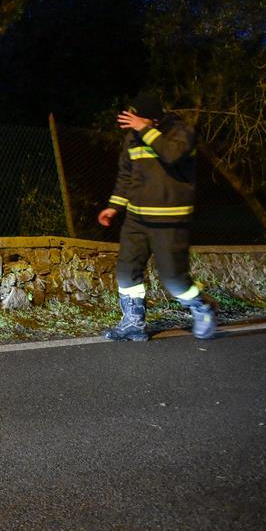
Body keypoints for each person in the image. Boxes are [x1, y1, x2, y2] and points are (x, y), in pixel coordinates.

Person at [98, 90, 217, 342]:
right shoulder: (132, 138)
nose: (131, 122)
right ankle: (133, 323)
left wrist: (144, 129)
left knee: (174, 279)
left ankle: (201, 306)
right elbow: (126, 177)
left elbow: (171, 155)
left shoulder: (182, 133)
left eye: (136, 117)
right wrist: (114, 207)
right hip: (136, 220)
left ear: (151, 118)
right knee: (126, 271)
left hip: (170, 221)